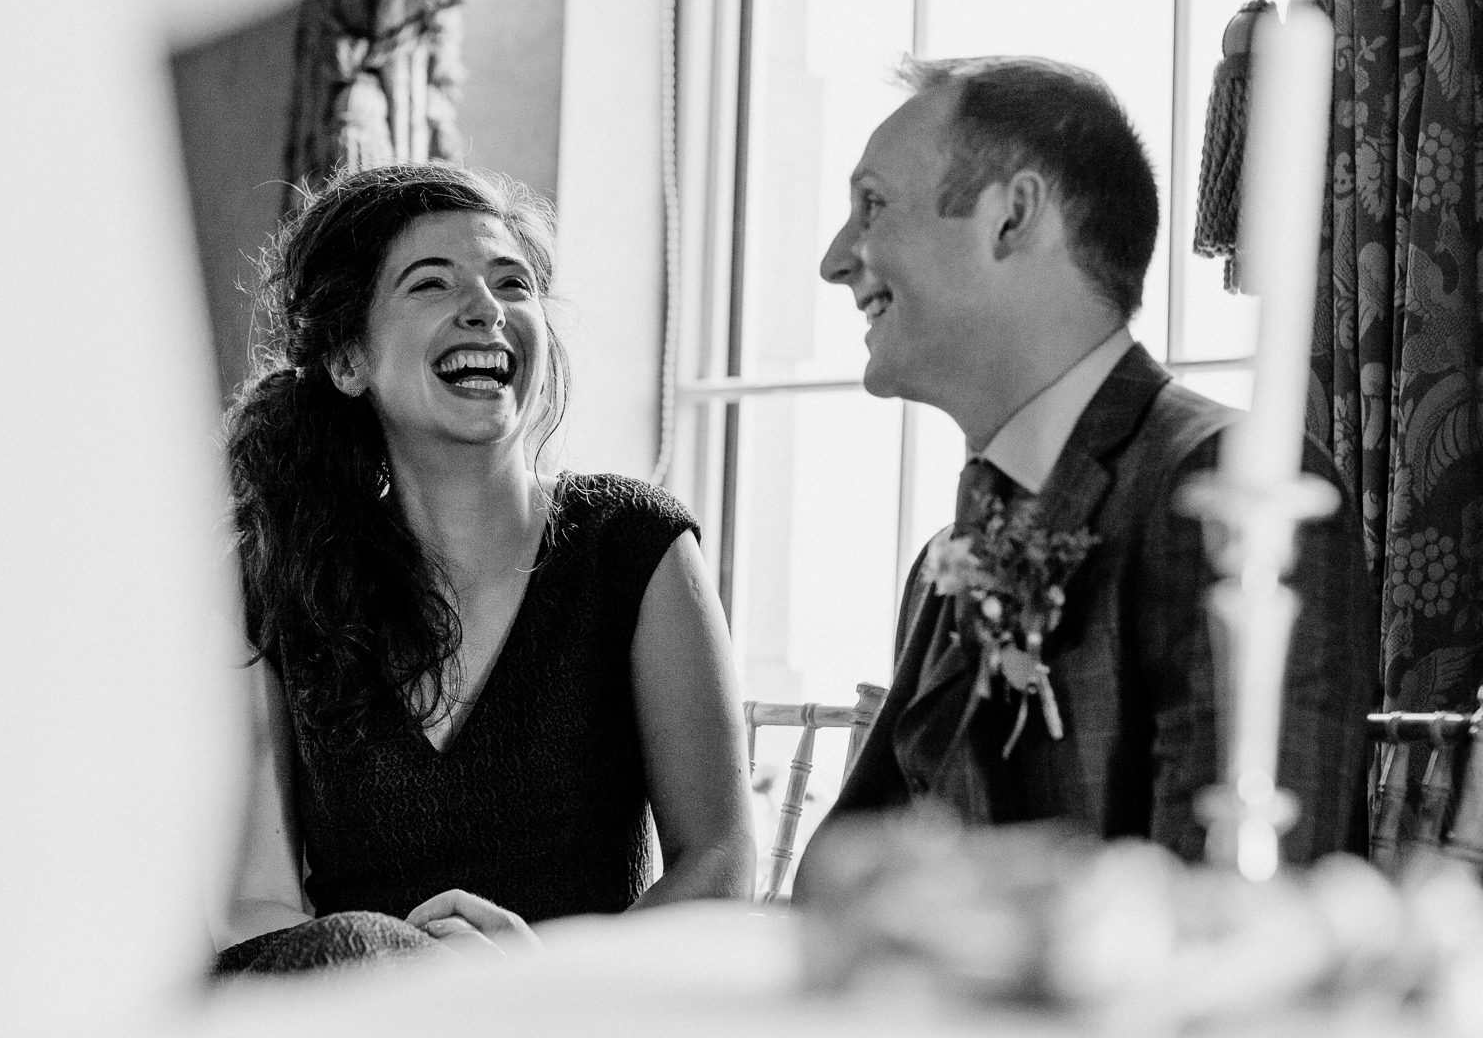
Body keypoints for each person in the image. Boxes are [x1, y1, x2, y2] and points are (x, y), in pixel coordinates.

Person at [802, 56, 1377, 866]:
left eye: (872, 206)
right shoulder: (948, 558)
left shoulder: (1228, 491)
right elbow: (840, 876)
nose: (835, 258)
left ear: (1013, 216)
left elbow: (1236, 909)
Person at [217, 161, 753, 972]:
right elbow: (256, 898)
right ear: (349, 360)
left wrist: (532, 984)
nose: (486, 310)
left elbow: (720, 863)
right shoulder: (278, 580)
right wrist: (394, 971)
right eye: (431, 285)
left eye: (514, 284)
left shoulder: (633, 544)